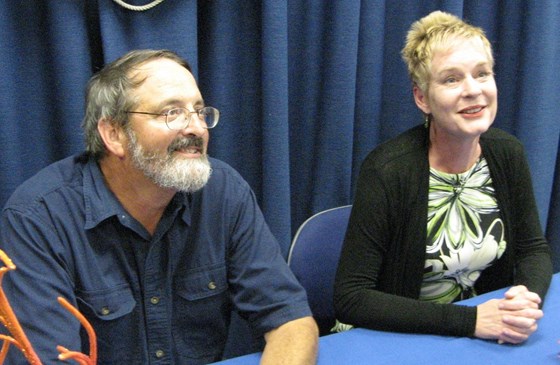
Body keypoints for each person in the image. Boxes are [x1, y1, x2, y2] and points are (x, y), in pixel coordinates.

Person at [0, 49, 318, 364]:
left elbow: (289, 319)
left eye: (199, 111)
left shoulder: (224, 193)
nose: (196, 128)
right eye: (172, 112)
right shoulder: (37, 219)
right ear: (114, 134)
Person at [333, 11, 553, 345]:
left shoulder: (507, 153)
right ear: (422, 98)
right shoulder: (388, 170)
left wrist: (523, 300)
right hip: (395, 339)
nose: (473, 90)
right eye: (451, 79)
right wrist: (471, 320)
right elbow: (351, 298)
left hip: (478, 335)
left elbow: (533, 250)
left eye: (482, 74)